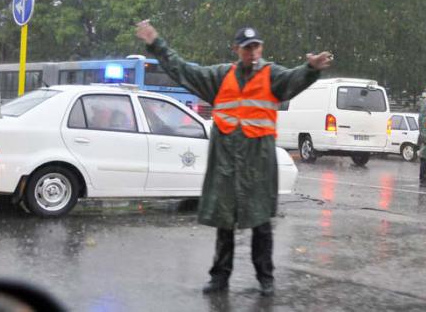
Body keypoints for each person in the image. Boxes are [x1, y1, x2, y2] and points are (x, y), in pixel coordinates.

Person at [136, 21, 333, 297]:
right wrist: (156, 43)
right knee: (224, 223)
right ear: (236, 50)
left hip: (258, 165)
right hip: (226, 165)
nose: (252, 53)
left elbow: (294, 78)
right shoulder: (219, 77)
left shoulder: (271, 75)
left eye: (256, 47)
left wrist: (310, 69)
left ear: (261, 48)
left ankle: (265, 277)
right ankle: (220, 278)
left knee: (261, 224)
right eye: (246, 48)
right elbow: (182, 69)